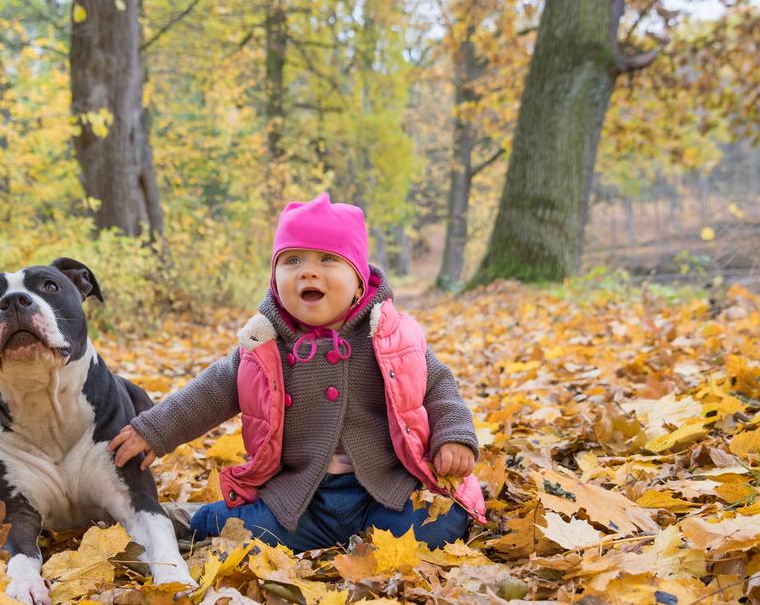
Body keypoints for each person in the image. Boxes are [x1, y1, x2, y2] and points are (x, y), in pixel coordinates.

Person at [108, 193, 486, 552]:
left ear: (358, 281)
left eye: (327, 260)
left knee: (440, 525)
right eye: (293, 261)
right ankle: (189, 519)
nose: (308, 272)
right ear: (275, 279)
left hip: (387, 488)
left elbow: (438, 386)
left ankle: (372, 537)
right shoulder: (265, 346)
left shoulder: (388, 336)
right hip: (301, 498)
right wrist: (154, 430)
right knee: (238, 531)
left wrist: (454, 437)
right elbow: (211, 392)